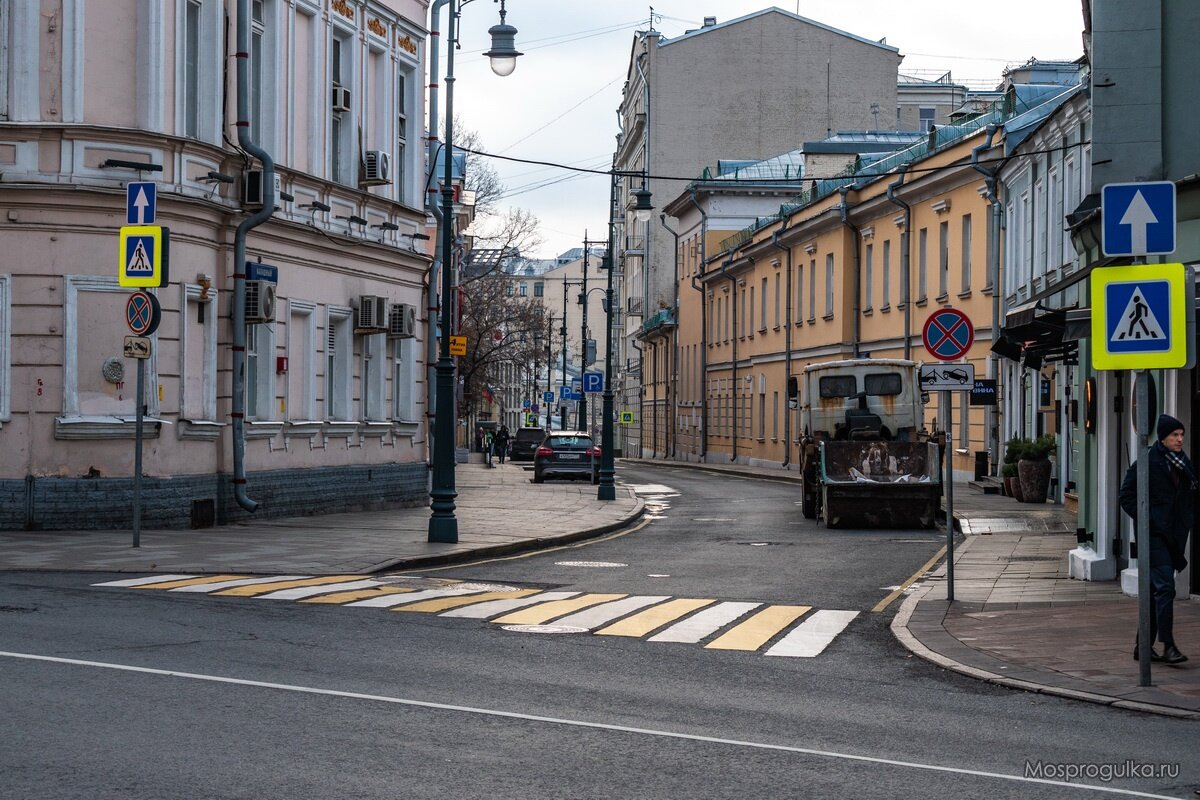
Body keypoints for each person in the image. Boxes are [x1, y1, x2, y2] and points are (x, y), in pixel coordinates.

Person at [1119, 414, 1195, 666]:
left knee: (1154, 592)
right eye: (1175, 435)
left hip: (1173, 537)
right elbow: (1126, 496)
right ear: (1163, 438)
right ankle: (1169, 646)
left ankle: (1143, 646)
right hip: (1153, 536)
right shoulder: (1147, 463)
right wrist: (1147, 518)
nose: (1179, 439)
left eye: (1181, 434)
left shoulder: (1184, 464)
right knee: (1165, 589)